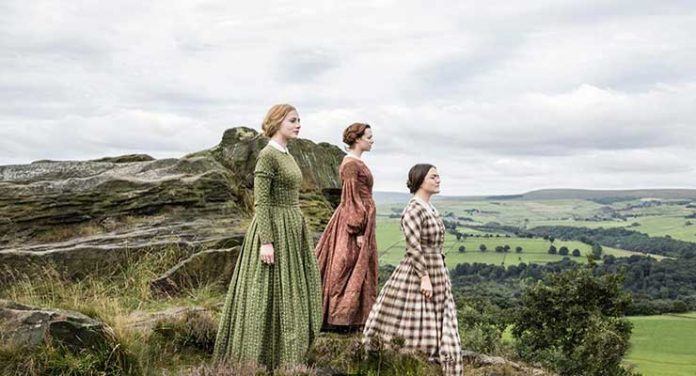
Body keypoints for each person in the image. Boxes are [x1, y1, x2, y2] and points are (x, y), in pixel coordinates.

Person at [213, 104, 322, 371]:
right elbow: (261, 202)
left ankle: (289, 353)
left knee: (291, 290)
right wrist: (266, 241)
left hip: (291, 226)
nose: (298, 125)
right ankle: (259, 358)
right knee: (266, 294)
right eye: (293, 120)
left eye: (299, 120)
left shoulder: (287, 153)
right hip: (273, 228)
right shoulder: (268, 155)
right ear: (277, 122)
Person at [363, 164, 463, 376]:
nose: (438, 180)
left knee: (437, 311)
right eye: (433, 177)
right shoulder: (413, 209)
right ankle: (410, 356)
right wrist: (424, 277)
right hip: (420, 268)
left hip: (436, 267)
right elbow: (413, 246)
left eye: (438, 176)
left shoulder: (429, 208)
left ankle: (434, 353)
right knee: (415, 310)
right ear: (420, 180)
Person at [315, 123, 377, 332]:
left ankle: (353, 318)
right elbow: (350, 197)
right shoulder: (351, 164)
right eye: (368, 137)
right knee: (347, 265)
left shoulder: (356, 162)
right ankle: (339, 318)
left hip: (362, 220)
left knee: (359, 268)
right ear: (357, 139)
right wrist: (358, 229)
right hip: (354, 222)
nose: (372, 140)